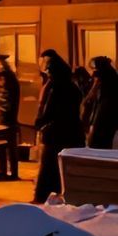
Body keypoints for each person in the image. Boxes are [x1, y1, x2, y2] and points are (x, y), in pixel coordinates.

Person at [33, 50, 85, 203]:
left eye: (47, 67)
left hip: (57, 133)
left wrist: (41, 123)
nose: (45, 70)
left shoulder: (56, 87)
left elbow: (50, 109)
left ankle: (43, 197)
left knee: (49, 166)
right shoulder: (69, 85)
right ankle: (54, 195)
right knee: (58, 167)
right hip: (68, 133)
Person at [84, 56, 118, 149]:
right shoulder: (102, 88)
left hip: (102, 134)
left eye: (94, 70)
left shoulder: (108, 93)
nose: (92, 75)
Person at [0, 54, 21, 127]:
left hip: (2, 117)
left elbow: (2, 100)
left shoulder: (4, 79)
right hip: (6, 115)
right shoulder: (10, 77)